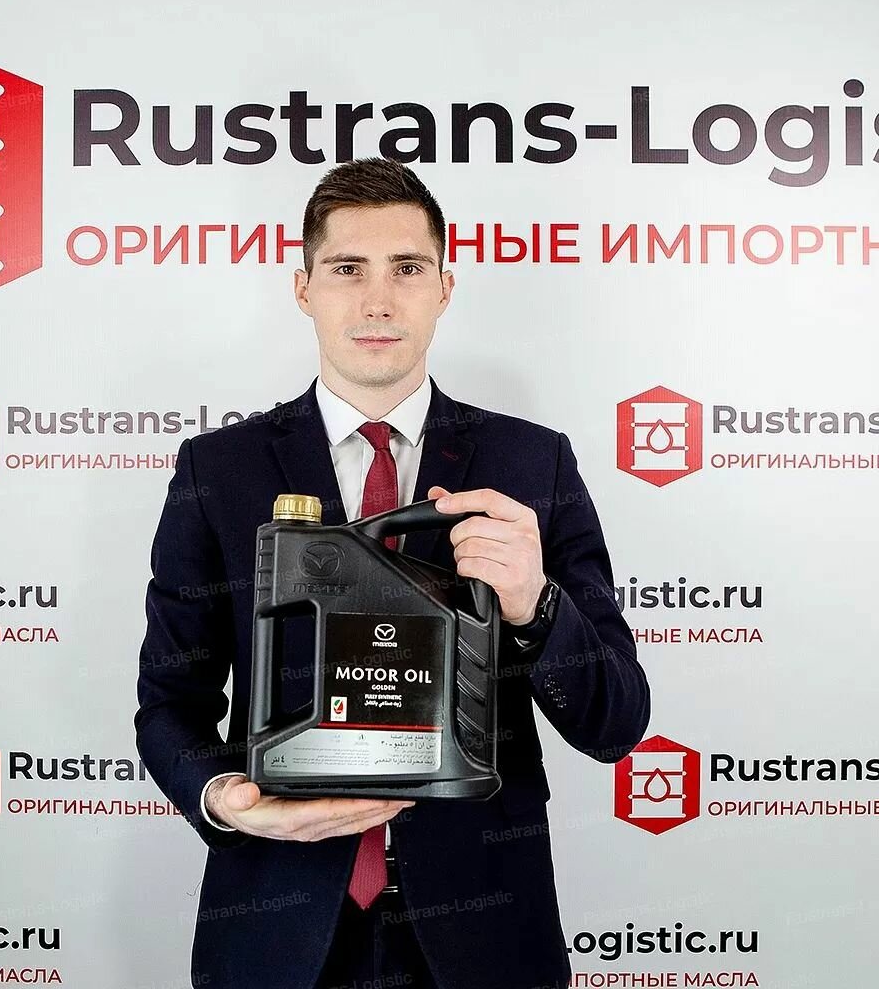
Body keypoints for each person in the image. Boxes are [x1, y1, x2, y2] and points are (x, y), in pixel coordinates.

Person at [135, 156, 651, 989]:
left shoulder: (532, 463)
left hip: (485, 935)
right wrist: (227, 797)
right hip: (277, 927)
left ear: (445, 287)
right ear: (303, 288)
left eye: (407, 268)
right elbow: (170, 704)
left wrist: (535, 604)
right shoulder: (218, 470)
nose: (378, 300)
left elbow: (615, 723)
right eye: (348, 269)